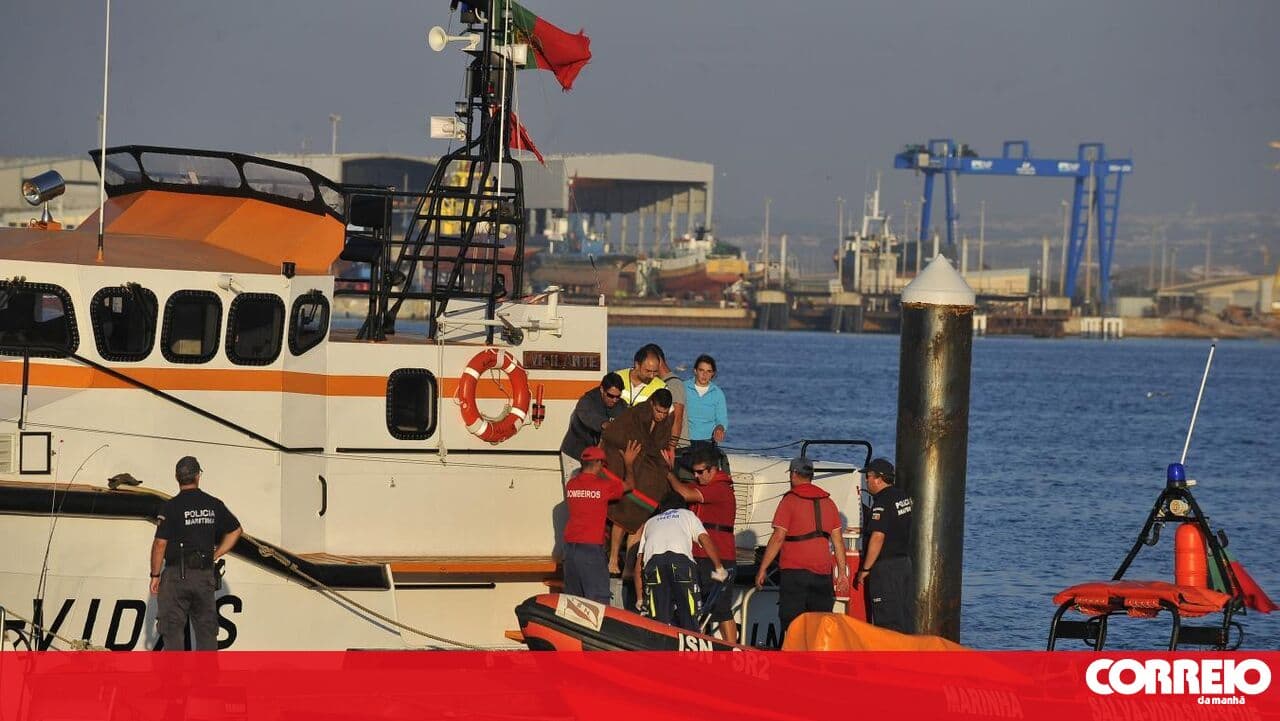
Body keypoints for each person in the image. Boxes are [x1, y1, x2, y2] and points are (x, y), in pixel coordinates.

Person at [149, 456, 242, 650]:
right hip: (203, 576)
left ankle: (174, 679)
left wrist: (155, 575)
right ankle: (206, 679)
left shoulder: (171, 507)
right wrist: (216, 554)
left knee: (172, 631)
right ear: (198, 476)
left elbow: (160, 544)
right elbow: (235, 530)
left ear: (177, 477)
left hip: (176, 577)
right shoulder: (213, 504)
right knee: (207, 633)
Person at [754, 456, 848, 642]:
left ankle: (792, 662)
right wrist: (842, 573)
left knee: (792, 625)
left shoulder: (790, 500)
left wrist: (763, 568)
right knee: (820, 624)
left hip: (794, 572)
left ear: (794, 474)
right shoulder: (828, 502)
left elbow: (778, 537)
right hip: (822, 574)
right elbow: (838, 541)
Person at [667, 446, 738, 642]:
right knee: (698, 605)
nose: (697, 476)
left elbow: (685, 494)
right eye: (694, 472)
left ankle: (732, 648)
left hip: (719, 556)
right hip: (699, 555)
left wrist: (669, 474)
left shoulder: (720, 489)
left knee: (722, 608)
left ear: (712, 469)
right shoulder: (706, 487)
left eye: (700, 472)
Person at [601, 388, 675, 577]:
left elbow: (660, 445)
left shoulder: (667, 420)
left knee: (641, 515)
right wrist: (628, 455)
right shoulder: (635, 414)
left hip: (646, 466)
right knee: (622, 513)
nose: (661, 416)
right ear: (652, 404)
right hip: (627, 462)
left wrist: (664, 463)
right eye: (659, 411)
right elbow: (614, 435)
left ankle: (628, 568)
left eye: (664, 412)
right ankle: (613, 559)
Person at [634, 494, 728, 631]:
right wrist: (719, 568)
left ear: (661, 508)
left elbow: (638, 567)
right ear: (682, 506)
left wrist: (640, 598)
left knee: (659, 621)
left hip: (654, 565)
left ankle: (662, 643)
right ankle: (690, 640)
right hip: (680, 563)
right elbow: (704, 539)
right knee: (689, 615)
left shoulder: (651, 522)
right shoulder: (687, 515)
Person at [562, 443, 638, 603]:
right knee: (598, 600)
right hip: (590, 549)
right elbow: (630, 485)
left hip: (569, 549)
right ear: (597, 463)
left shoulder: (571, 485)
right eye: (602, 465)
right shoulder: (603, 487)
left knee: (573, 600)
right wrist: (628, 463)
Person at [858, 458, 914, 633]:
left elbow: (878, 537)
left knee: (887, 621)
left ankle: (890, 658)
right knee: (904, 616)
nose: (866, 480)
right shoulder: (902, 496)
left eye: (868, 476)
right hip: (903, 564)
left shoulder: (882, 502)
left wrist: (866, 568)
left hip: (886, 569)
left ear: (879, 479)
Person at [559, 372, 625, 480]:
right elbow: (589, 417)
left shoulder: (622, 406)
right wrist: (606, 425)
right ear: (602, 389)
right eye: (610, 396)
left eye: (618, 397)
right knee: (575, 491)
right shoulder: (587, 401)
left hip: (599, 459)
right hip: (575, 454)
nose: (614, 400)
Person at [683, 354, 727, 449]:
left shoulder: (718, 393)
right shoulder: (683, 388)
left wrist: (720, 428)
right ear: (695, 371)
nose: (704, 374)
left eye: (709, 371)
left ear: (713, 374)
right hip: (684, 441)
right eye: (701, 370)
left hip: (707, 442)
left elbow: (722, 420)